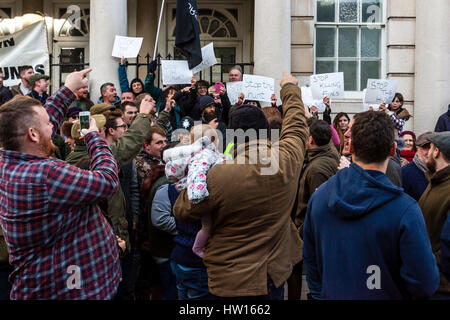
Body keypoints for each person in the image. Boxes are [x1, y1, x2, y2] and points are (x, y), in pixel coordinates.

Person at [173, 71, 308, 299]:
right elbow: (296, 127)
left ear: (233, 136)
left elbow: (182, 210)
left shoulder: (217, 175)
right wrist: (290, 90)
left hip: (230, 279)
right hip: (273, 274)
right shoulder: (286, 158)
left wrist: (197, 168)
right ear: (265, 130)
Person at [0, 69, 125, 299]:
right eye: (49, 124)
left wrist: (68, 89)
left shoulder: (8, 157)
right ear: (34, 135)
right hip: (72, 290)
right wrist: (94, 138)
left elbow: (38, 120)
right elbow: (107, 181)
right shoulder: (45, 174)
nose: (53, 126)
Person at [303, 110, 439, 300]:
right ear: (393, 150)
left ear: (351, 148)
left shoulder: (320, 197)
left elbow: (312, 266)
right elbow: (424, 282)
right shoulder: (405, 210)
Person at [418, 131, 450, 299]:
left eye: (429, 148)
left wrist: (422, 260)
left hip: (441, 287)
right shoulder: (436, 181)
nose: (427, 153)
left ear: (436, 151)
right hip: (430, 281)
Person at [401, 132, 432, 201]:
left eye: (433, 148)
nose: (430, 151)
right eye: (426, 147)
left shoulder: (442, 171)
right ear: (417, 149)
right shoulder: (404, 173)